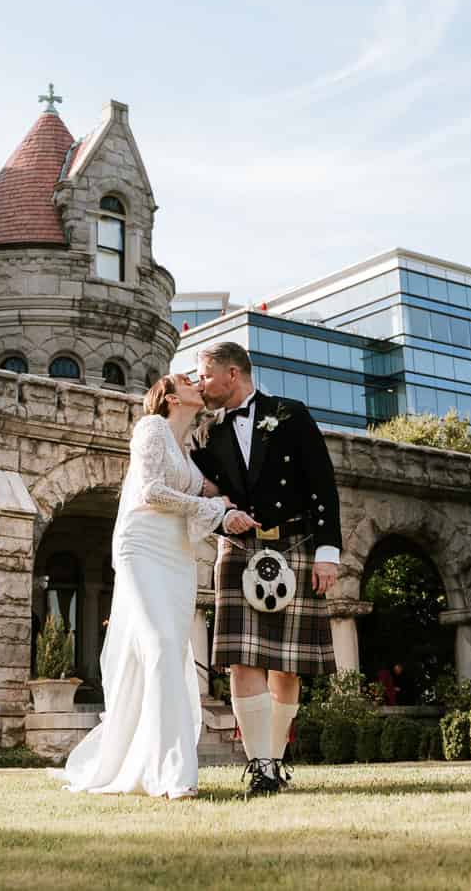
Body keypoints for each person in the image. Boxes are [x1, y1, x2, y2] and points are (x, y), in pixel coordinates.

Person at [59, 373, 258, 799]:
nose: (196, 384)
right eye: (188, 381)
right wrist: (213, 507)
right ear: (169, 397)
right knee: (161, 646)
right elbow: (150, 491)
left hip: (176, 556)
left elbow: (219, 495)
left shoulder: (187, 453)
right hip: (143, 547)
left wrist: (234, 511)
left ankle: (152, 759)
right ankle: (173, 773)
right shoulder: (150, 429)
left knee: (169, 651)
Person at [191, 340, 343, 797]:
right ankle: (259, 766)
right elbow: (203, 494)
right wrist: (220, 516)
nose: (201, 384)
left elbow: (322, 483)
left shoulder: (290, 414)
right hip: (238, 548)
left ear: (231, 374)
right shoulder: (205, 433)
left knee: (287, 666)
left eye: (204, 375)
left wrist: (328, 552)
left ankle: (275, 761)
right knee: (241, 659)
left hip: (294, 543)